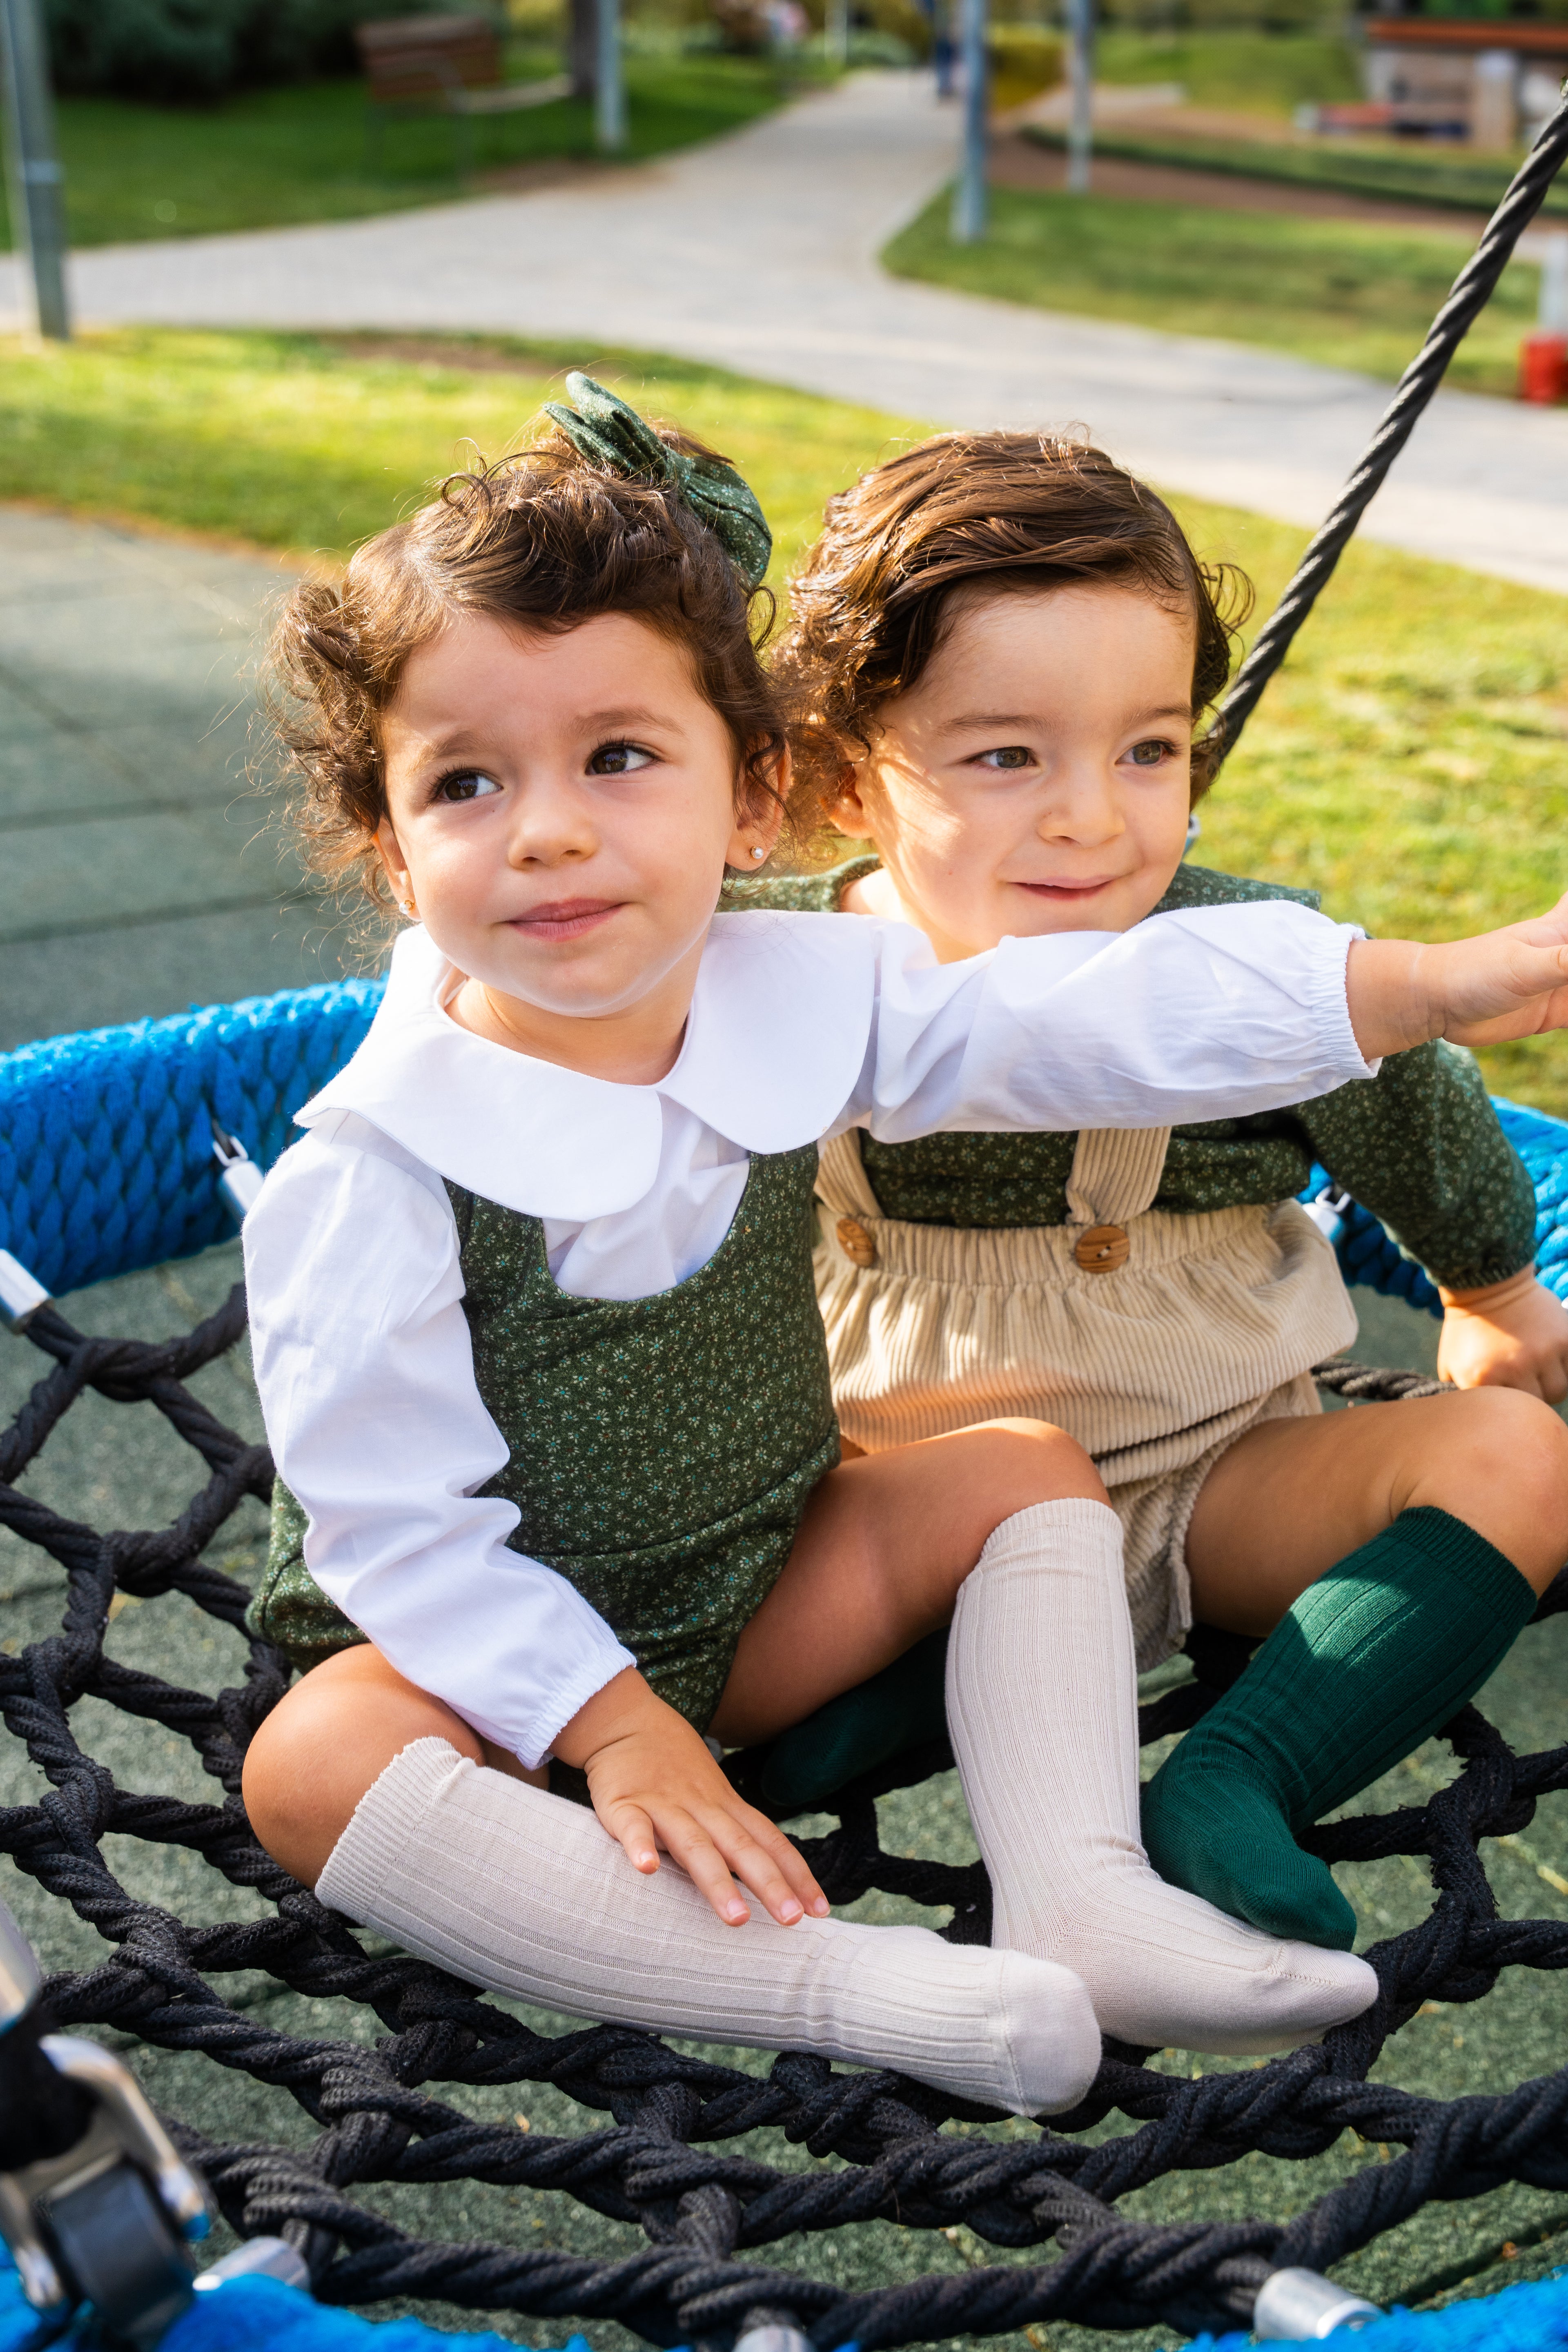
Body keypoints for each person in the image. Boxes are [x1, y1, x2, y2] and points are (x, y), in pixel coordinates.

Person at [240, 381, 1568, 2099]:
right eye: (467, 783)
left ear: (749, 807)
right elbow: (395, 1544)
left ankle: (1078, 1895)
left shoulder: (788, 992)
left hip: (766, 1589)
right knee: (311, 1761)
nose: (550, 827)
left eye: (621, 758)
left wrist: (1427, 988)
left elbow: (1073, 1022)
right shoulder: (375, 1163)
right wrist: (616, 1724)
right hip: (483, 1663)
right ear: (386, 846)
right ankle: (849, 1989)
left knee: (1018, 1472)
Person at [731, 425, 1568, 1956]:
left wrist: (1494, 1287)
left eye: (1150, 748)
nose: (1093, 817)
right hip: (898, 1498)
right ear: (850, 781)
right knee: (659, 1588)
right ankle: (922, 1676)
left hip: (1218, 1480)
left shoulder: (1257, 960)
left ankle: (1240, 1771)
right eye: (1007, 756)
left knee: (1521, 1462)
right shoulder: (766, 963)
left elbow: (1408, 1104)